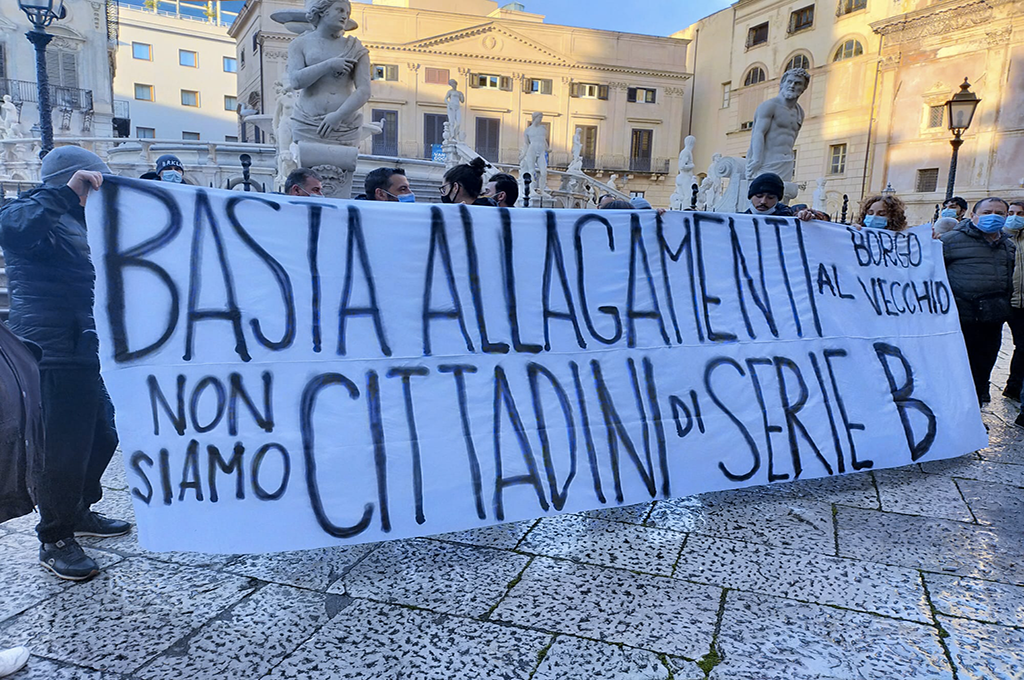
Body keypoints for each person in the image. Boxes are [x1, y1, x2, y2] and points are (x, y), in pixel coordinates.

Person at [0, 146, 131, 581]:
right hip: (51, 353)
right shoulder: (31, 212)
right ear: (74, 182)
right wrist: (63, 194)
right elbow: (12, 231)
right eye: (94, 182)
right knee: (62, 451)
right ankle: (54, 538)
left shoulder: (86, 224)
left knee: (104, 436)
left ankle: (78, 511)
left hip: (86, 349)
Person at [940, 197, 1014, 405]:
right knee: (956, 371)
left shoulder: (1007, 246)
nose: (993, 217)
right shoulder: (951, 241)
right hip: (960, 319)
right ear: (973, 216)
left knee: (982, 371)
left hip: (992, 320)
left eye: (999, 213)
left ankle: (974, 416)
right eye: (987, 212)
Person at [746, 68, 809, 182]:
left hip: (786, 163)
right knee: (762, 197)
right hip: (766, 162)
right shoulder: (769, 106)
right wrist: (756, 159)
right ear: (782, 83)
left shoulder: (800, 112)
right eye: (789, 81)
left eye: (798, 83)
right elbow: (758, 133)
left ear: (804, 88)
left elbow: (792, 139)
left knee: (783, 197)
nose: (792, 85)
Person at [1001, 200, 1024, 400]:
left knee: (1022, 347)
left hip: (1022, 303)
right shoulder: (998, 237)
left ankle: (1013, 387)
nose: (1014, 217)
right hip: (1002, 300)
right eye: (1011, 212)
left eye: (1020, 213)